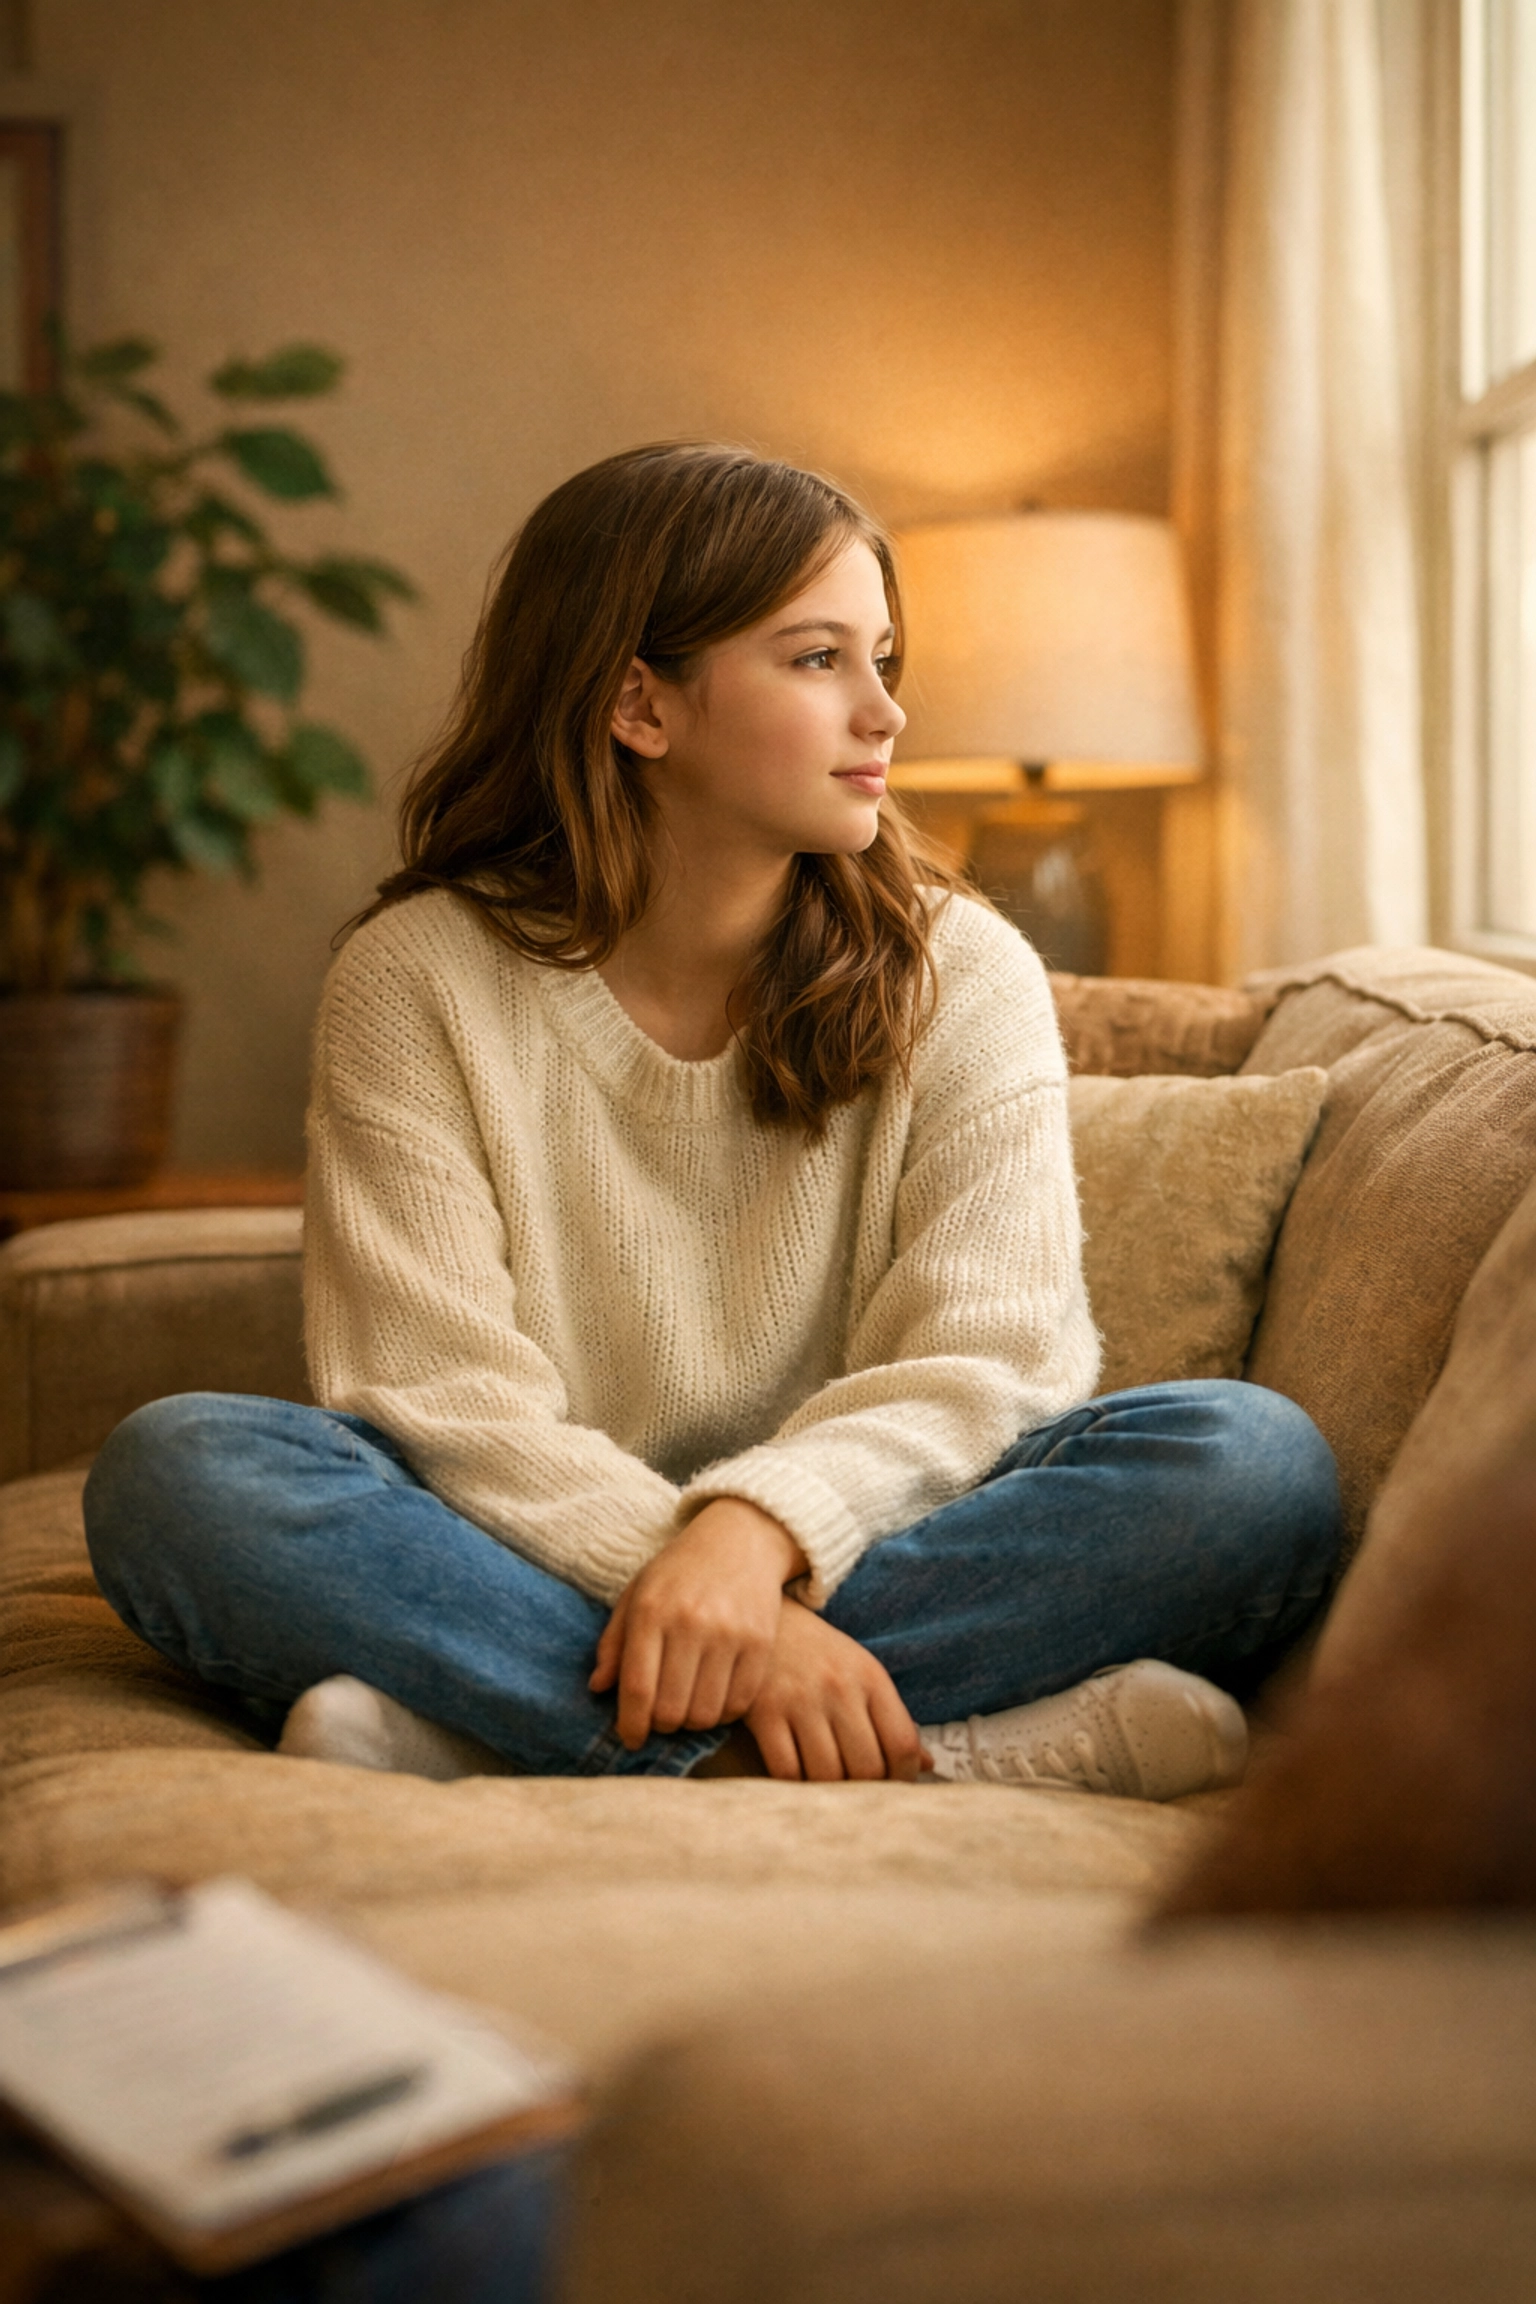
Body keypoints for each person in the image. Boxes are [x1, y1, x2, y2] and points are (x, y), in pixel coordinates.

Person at [83, 443, 1342, 1799]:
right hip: (523, 1538)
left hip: (871, 1531)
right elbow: (434, 1389)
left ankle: (497, 1735)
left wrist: (756, 1538)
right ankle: (913, 1747)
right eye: (818, 660)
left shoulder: (963, 968)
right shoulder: (417, 979)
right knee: (183, 1474)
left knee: (1251, 1466)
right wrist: (697, 1591)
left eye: (886, 659)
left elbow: (994, 1354)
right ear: (641, 705)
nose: (886, 716)